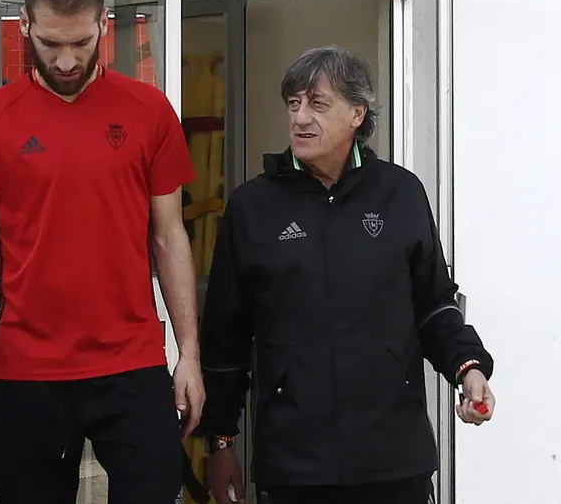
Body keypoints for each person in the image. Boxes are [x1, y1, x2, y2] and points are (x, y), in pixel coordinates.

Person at [0, 0, 204, 504]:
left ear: (102, 24)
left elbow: (169, 236)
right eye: (50, 43)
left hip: (133, 366)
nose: (66, 60)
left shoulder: (149, 110)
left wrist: (188, 352)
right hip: (29, 370)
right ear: (24, 23)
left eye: (80, 42)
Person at [195, 46, 496, 504]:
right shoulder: (251, 207)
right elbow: (225, 335)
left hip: (394, 458)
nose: (300, 118)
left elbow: (434, 303)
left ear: (358, 112)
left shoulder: (401, 194)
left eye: (318, 104)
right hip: (295, 463)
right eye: (293, 103)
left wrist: (468, 367)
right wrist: (220, 441)